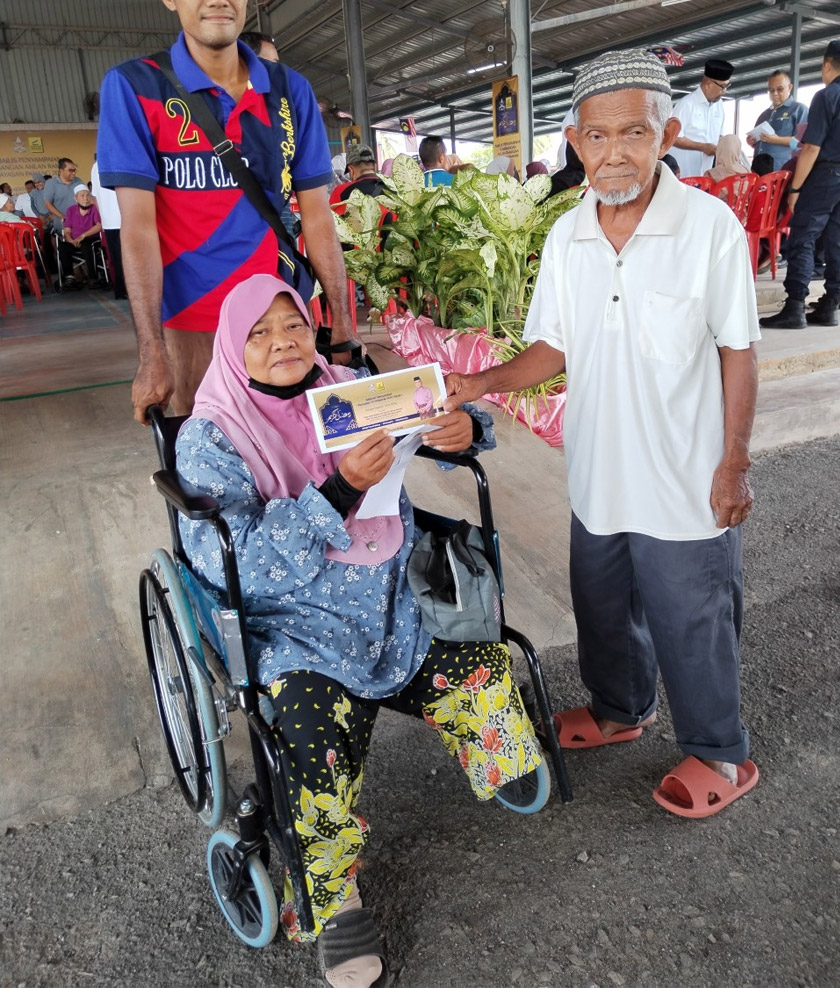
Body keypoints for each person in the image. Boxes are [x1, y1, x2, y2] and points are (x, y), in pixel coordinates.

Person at [176, 274, 543, 982]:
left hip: (392, 600)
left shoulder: (351, 385)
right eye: (260, 333)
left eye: (293, 326)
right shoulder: (210, 436)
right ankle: (335, 899)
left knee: (483, 666)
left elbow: (447, 423)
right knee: (312, 749)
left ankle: (485, 746)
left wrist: (466, 429)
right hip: (296, 630)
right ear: (232, 346)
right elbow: (240, 567)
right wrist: (337, 490)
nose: (283, 343)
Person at [446, 48, 761, 819]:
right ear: (575, 141)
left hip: (686, 478)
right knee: (603, 603)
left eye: (634, 132)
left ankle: (720, 749)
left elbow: (739, 351)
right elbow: (556, 345)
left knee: (693, 616)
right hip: (600, 473)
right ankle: (622, 710)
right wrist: (484, 380)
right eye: (598, 135)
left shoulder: (708, 227)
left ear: (668, 133)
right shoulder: (569, 237)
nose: (615, 151)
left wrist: (734, 462)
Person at [97, 0, 354, 423]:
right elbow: (139, 232)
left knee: (300, 459)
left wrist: (342, 321)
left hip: (281, 319)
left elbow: (317, 215)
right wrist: (152, 352)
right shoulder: (134, 88)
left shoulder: (289, 90)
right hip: (190, 323)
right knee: (208, 473)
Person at [760, 40, 840, 329]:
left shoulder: (826, 95)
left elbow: (811, 148)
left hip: (825, 176)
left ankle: (795, 306)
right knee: (836, 242)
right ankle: (830, 305)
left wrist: (795, 188)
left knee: (803, 238)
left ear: (827, 65)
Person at [670, 58, 734, 177]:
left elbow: (721, 135)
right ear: (709, 84)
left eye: (727, 86)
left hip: (705, 173)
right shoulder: (687, 104)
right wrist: (703, 147)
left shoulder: (719, 105)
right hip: (684, 173)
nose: (724, 91)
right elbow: (674, 138)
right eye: (723, 86)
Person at [746, 70, 808, 170]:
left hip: (783, 170)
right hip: (759, 171)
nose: (775, 93)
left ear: (790, 87)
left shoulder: (799, 110)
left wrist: (777, 140)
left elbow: (803, 143)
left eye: (780, 89)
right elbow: (759, 142)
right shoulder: (764, 115)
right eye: (771, 90)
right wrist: (752, 141)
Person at [90, 158, 127, 299]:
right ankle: (128, 289)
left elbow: (95, 197)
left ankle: (120, 290)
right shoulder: (121, 161)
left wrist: (103, 217)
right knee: (128, 257)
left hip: (109, 220)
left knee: (116, 258)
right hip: (124, 218)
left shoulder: (96, 166)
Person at [61, 184, 103, 286]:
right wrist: (71, 240)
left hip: (91, 239)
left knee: (86, 245)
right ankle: (69, 278)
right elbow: (67, 230)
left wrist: (83, 236)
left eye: (87, 195)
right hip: (74, 240)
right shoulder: (70, 210)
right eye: (82, 196)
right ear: (76, 199)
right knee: (63, 247)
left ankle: (93, 277)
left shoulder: (94, 208)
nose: (86, 198)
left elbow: (98, 226)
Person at [44, 159, 82, 236]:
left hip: (81, 223)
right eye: (70, 170)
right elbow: (48, 203)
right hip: (63, 225)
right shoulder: (51, 183)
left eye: (75, 170)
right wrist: (63, 217)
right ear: (61, 171)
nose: (74, 173)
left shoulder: (78, 181)